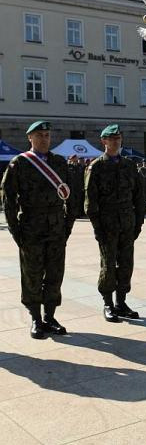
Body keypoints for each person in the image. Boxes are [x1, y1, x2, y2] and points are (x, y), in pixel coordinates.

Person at [1, 121, 75, 339]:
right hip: (31, 228)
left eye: (47, 135)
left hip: (56, 228)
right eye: (39, 135)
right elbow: (9, 202)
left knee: (54, 274)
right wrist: (17, 232)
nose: (44, 139)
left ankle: (50, 317)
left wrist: (67, 226)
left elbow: (72, 197)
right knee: (32, 275)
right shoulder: (19, 164)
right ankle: (35, 318)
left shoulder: (59, 163)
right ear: (30, 138)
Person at [85, 124, 145, 322]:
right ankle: (108, 303)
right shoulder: (97, 167)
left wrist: (138, 222)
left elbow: (138, 196)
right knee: (109, 265)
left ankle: (121, 302)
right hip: (107, 225)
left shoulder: (129, 165)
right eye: (112, 139)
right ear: (104, 141)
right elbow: (90, 202)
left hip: (127, 223)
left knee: (126, 263)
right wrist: (97, 228)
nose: (116, 142)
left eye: (118, 138)